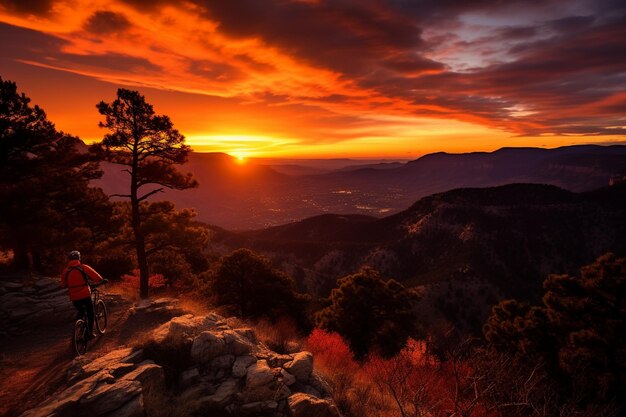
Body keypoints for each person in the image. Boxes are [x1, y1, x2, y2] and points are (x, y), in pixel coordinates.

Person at [60, 251, 106, 339]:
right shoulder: (83, 267)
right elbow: (96, 277)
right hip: (85, 294)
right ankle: (90, 332)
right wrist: (101, 280)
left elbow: (63, 285)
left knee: (81, 311)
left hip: (74, 297)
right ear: (79, 258)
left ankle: (79, 326)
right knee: (90, 312)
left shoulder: (66, 270)